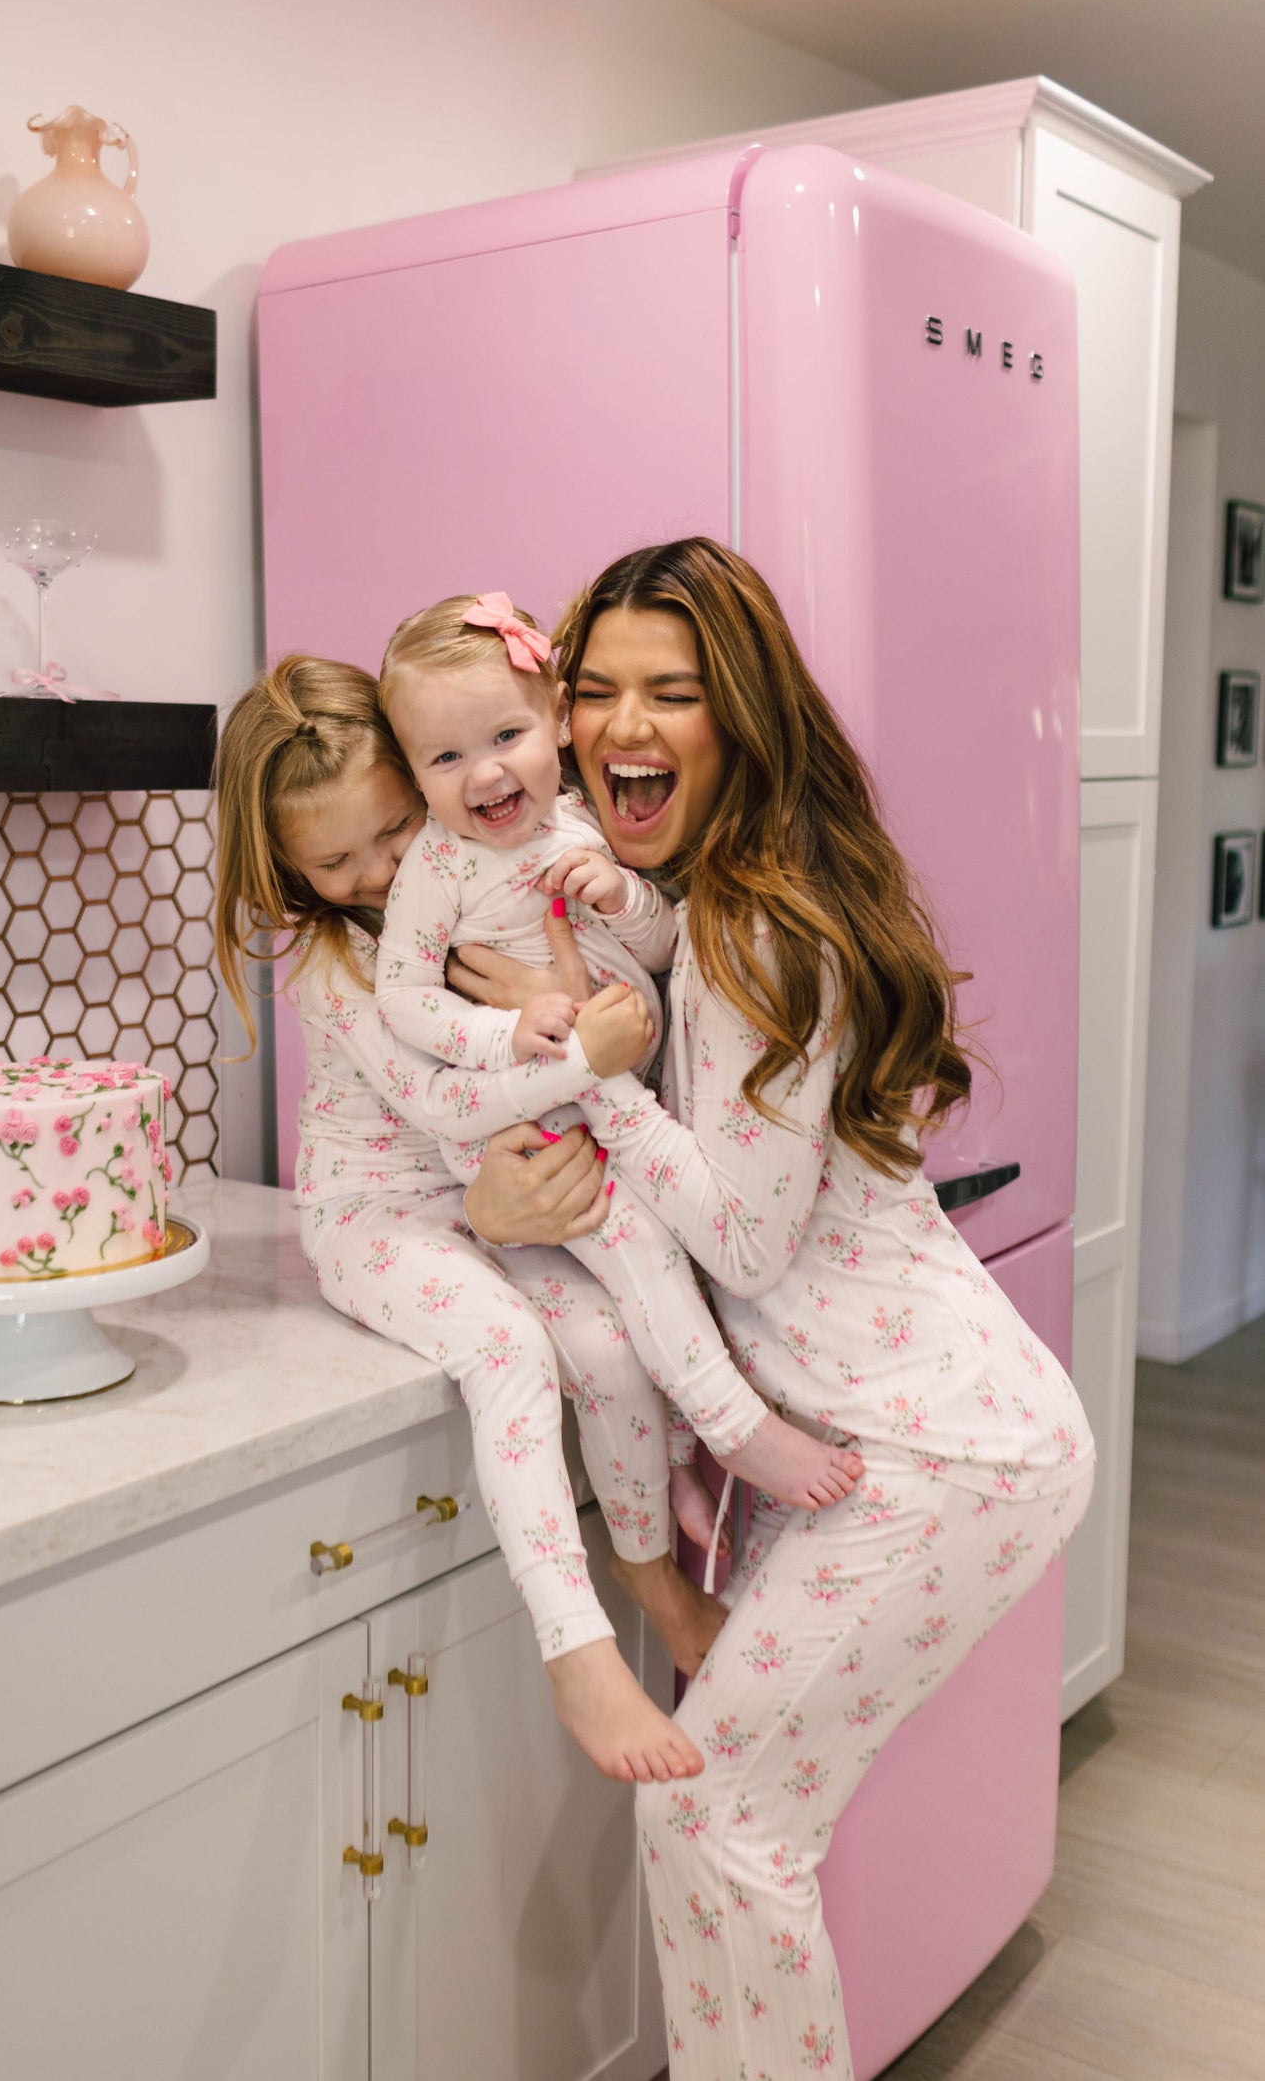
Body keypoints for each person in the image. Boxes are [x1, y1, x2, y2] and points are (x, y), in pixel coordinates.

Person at [454, 538, 1096, 2079]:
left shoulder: (750, 926)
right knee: (729, 1816)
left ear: (740, 718)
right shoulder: (706, 903)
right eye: (593, 687)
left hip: (938, 1455)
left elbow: (740, 1237)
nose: (623, 723)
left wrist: (592, 1073)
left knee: (714, 1811)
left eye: (673, 691)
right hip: (894, 1433)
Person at [214, 651, 716, 1784]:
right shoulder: (337, 963)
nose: (381, 872)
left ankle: (648, 1570)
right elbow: (444, 1104)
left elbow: (626, 961)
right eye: (335, 860)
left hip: (485, 1194)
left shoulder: (471, 874)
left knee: (604, 1337)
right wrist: (592, 1053)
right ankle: (574, 1646)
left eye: (392, 832)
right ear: (289, 867)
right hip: (379, 1216)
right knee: (508, 1349)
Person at [375, 588, 865, 1551]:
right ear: (414, 776)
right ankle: (735, 1429)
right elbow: (402, 995)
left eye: (505, 734)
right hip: (532, 1111)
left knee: (666, 1274)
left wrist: (625, 896)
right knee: (641, 1254)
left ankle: (677, 1460)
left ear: (556, 720)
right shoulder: (438, 867)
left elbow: (663, 945)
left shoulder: (582, 824)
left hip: (614, 1092)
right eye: (444, 758)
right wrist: (507, 1033)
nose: (483, 773)